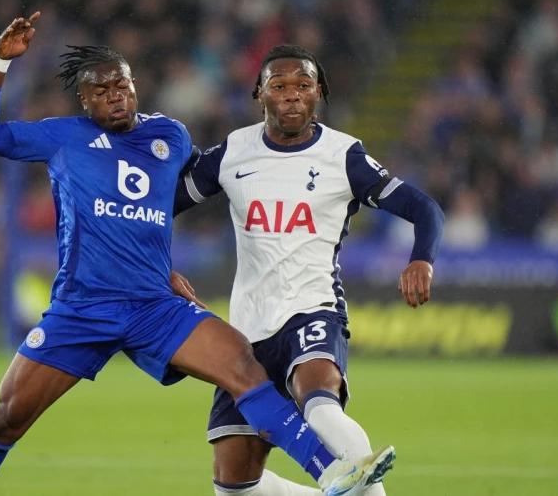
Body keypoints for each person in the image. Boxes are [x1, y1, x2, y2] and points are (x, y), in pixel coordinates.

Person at [0, 16, 387, 496]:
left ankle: (330, 472)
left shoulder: (168, 137)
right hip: (83, 308)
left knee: (242, 363)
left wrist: (161, 264)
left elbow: (191, 191)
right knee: (9, 417)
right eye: (102, 89)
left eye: (123, 84)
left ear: (135, 86)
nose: (115, 94)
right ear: (84, 100)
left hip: (153, 305)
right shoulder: (62, 137)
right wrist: (0, 62)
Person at [173, 45, 444, 496]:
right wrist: (160, 266)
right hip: (246, 330)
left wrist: (421, 259)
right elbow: (157, 209)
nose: (292, 95)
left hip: (313, 308)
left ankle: (361, 473)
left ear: (318, 91)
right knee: (235, 487)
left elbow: (424, 207)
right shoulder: (232, 153)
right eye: (279, 86)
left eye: (303, 85)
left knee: (318, 404)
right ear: (259, 93)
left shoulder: (344, 156)